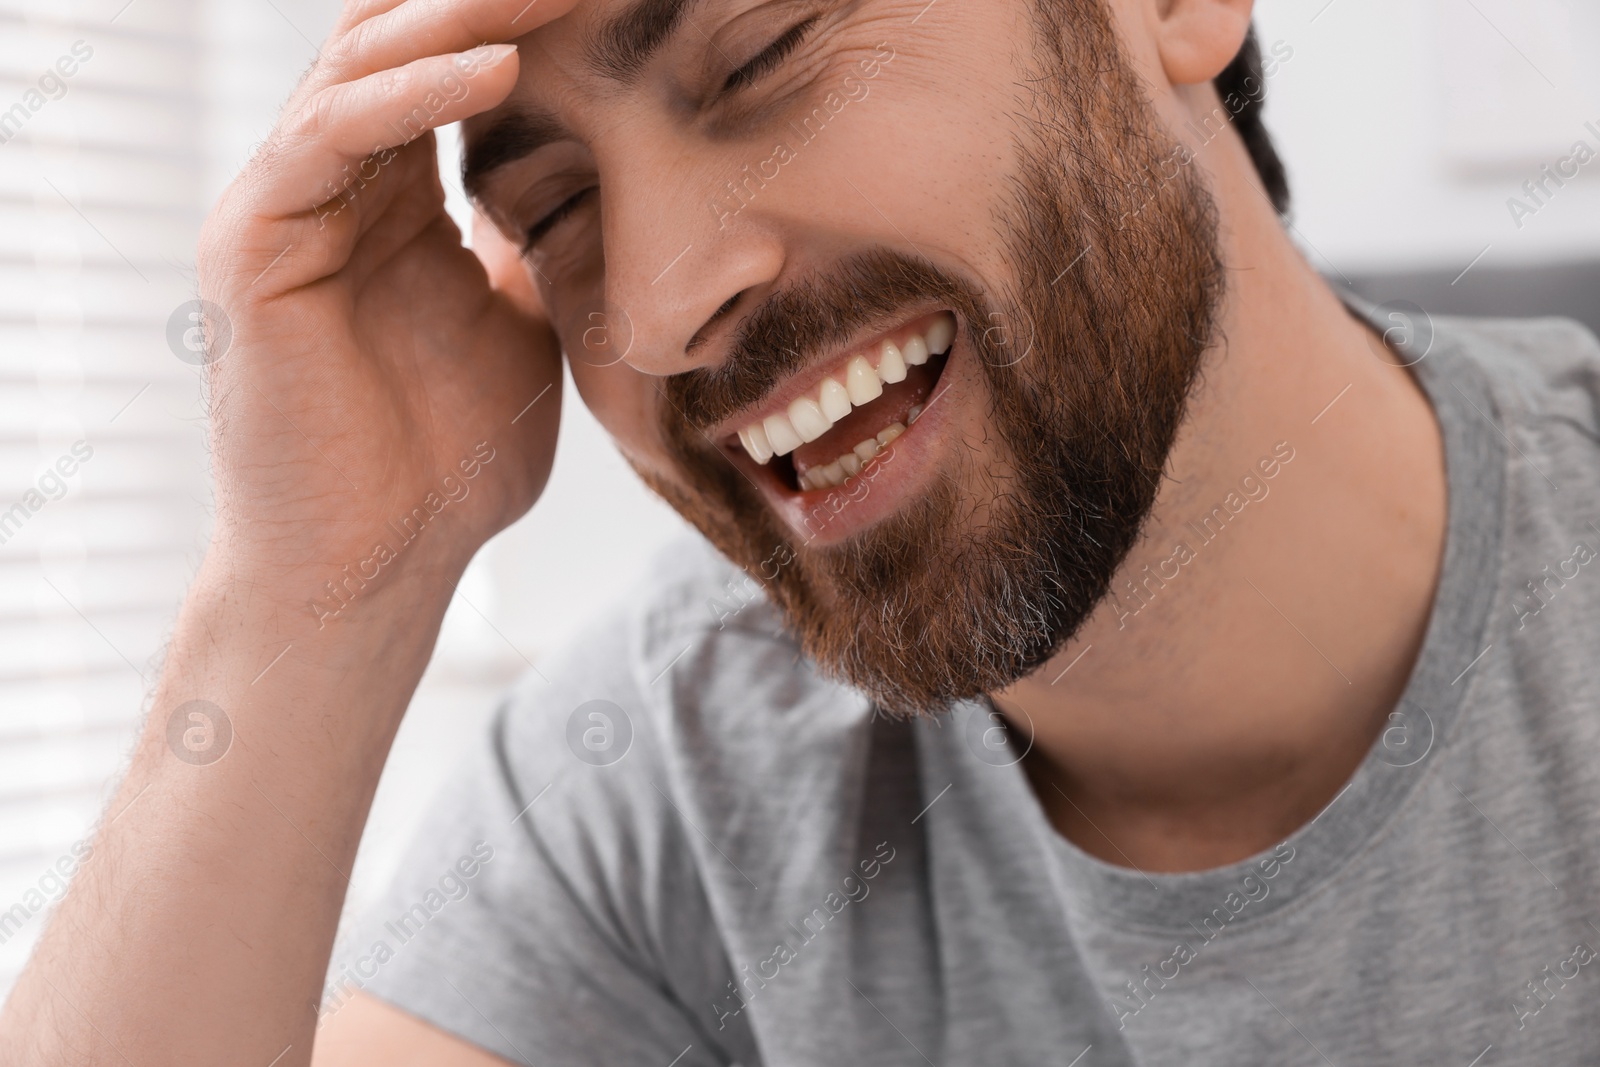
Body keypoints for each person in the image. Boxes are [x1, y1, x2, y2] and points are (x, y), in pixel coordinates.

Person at [5, 0, 1600, 1062]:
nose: (659, 301)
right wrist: (312, 601)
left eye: (762, 50)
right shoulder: (659, 791)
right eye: (555, 211)